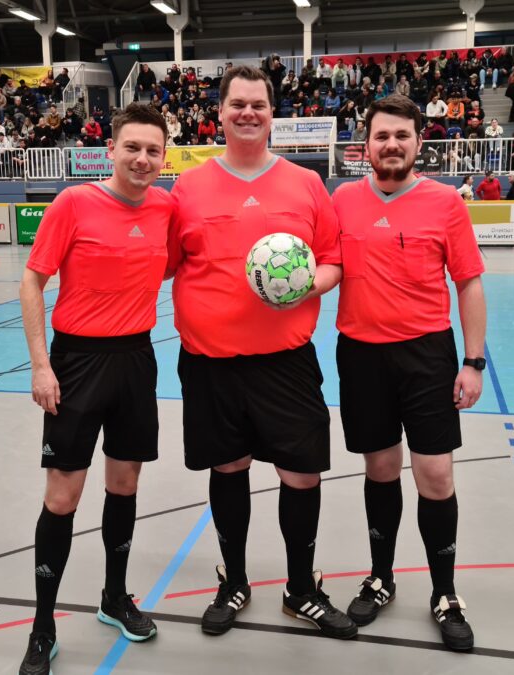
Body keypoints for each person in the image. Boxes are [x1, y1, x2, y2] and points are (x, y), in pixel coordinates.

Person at [167, 65, 355, 640]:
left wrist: (306, 285)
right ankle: (235, 582)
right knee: (229, 469)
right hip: (210, 363)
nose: (248, 113)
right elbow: (167, 262)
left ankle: (301, 590)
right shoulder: (188, 188)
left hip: (285, 362)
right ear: (219, 113)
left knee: (301, 474)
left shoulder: (304, 183)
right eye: (237, 104)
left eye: (259, 105)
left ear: (273, 114)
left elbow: (333, 260)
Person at [16, 103, 175, 675]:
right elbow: (33, 281)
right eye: (132, 147)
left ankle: (114, 596)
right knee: (63, 498)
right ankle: (42, 626)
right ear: (110, 150)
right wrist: (41, 365)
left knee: (124, 483)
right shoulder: (73, 204)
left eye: (153, 150)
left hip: (136, 359)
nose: (142, 158)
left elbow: (179, 264)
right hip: (77, 361)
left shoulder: (166, 208)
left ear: (164, 157)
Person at [331, 94, 486, 652]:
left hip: (427, 356)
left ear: (419, 142)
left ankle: (444, 592)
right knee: (379, 468)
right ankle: (381, 577)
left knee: (435, 476)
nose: (391, 145)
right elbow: (327, 266)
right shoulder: (343, 200)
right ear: (365, 146)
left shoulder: (445, 203)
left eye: (401, 135)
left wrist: (472, 361)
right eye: (381, 136)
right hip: (361, 355)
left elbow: (468, 282)